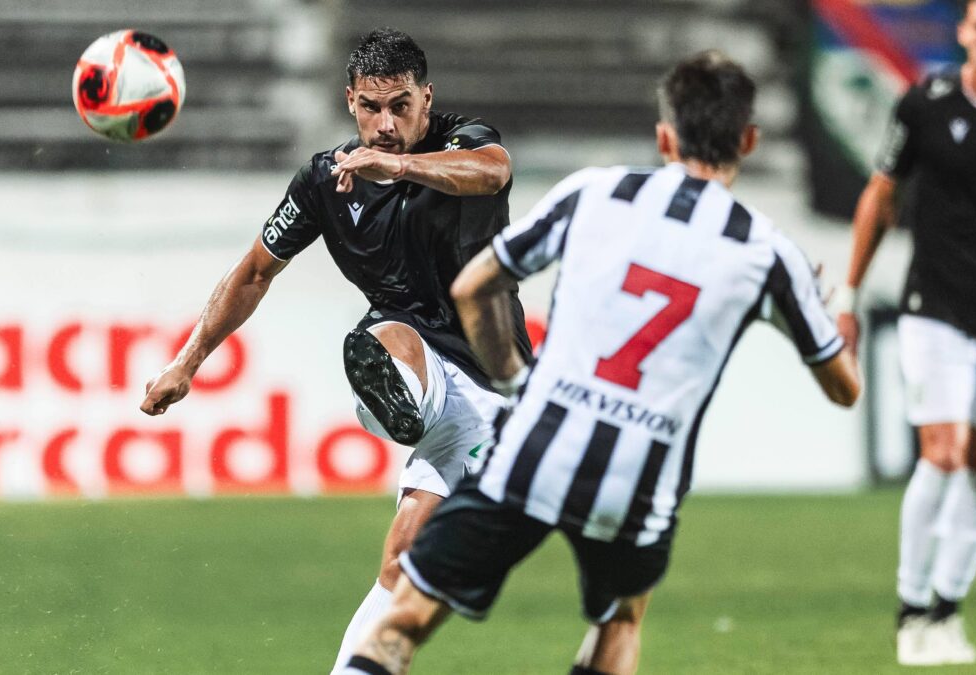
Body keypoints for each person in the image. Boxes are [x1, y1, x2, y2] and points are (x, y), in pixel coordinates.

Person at [340, 51, 860, 675]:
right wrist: (831, 322)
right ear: (749, 139)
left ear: (665, 136)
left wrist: (513, 382)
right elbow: (844, 391)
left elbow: (474, 285)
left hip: (537, 443)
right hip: (637, 474)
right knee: (619, 618)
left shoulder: (597, 192)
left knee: (405, 623)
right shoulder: (770, 252)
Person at [137, 28, 531, 672]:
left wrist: (399, 166)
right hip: (412, 358)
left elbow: (494, 172)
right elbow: (254, 272)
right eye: (371, 107)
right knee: (383, 335)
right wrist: (187, 362)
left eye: (401, 105)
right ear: (350, 100)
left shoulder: (463, 141)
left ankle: (408, 405)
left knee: (404, 562)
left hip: (495, 384)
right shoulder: (325, 180)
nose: (385, 123)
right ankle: (402, 400)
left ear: (426, 99)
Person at [829, 0, 976, 666]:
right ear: (962, 34)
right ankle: (910, 607)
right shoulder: (926, 104)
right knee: (943, 453)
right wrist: (849, 298)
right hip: (934, 306)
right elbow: (880, 195)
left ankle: (946, 609)